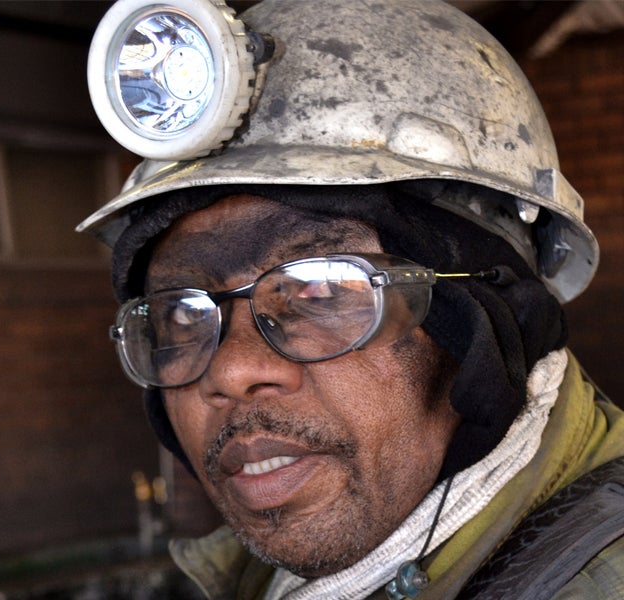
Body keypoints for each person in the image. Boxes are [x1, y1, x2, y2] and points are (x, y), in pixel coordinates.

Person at [78, 0, 624, 597]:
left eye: (322, 289)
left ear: (497, 318)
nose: (231, 371)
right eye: (180, 312)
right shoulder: (255, 580)